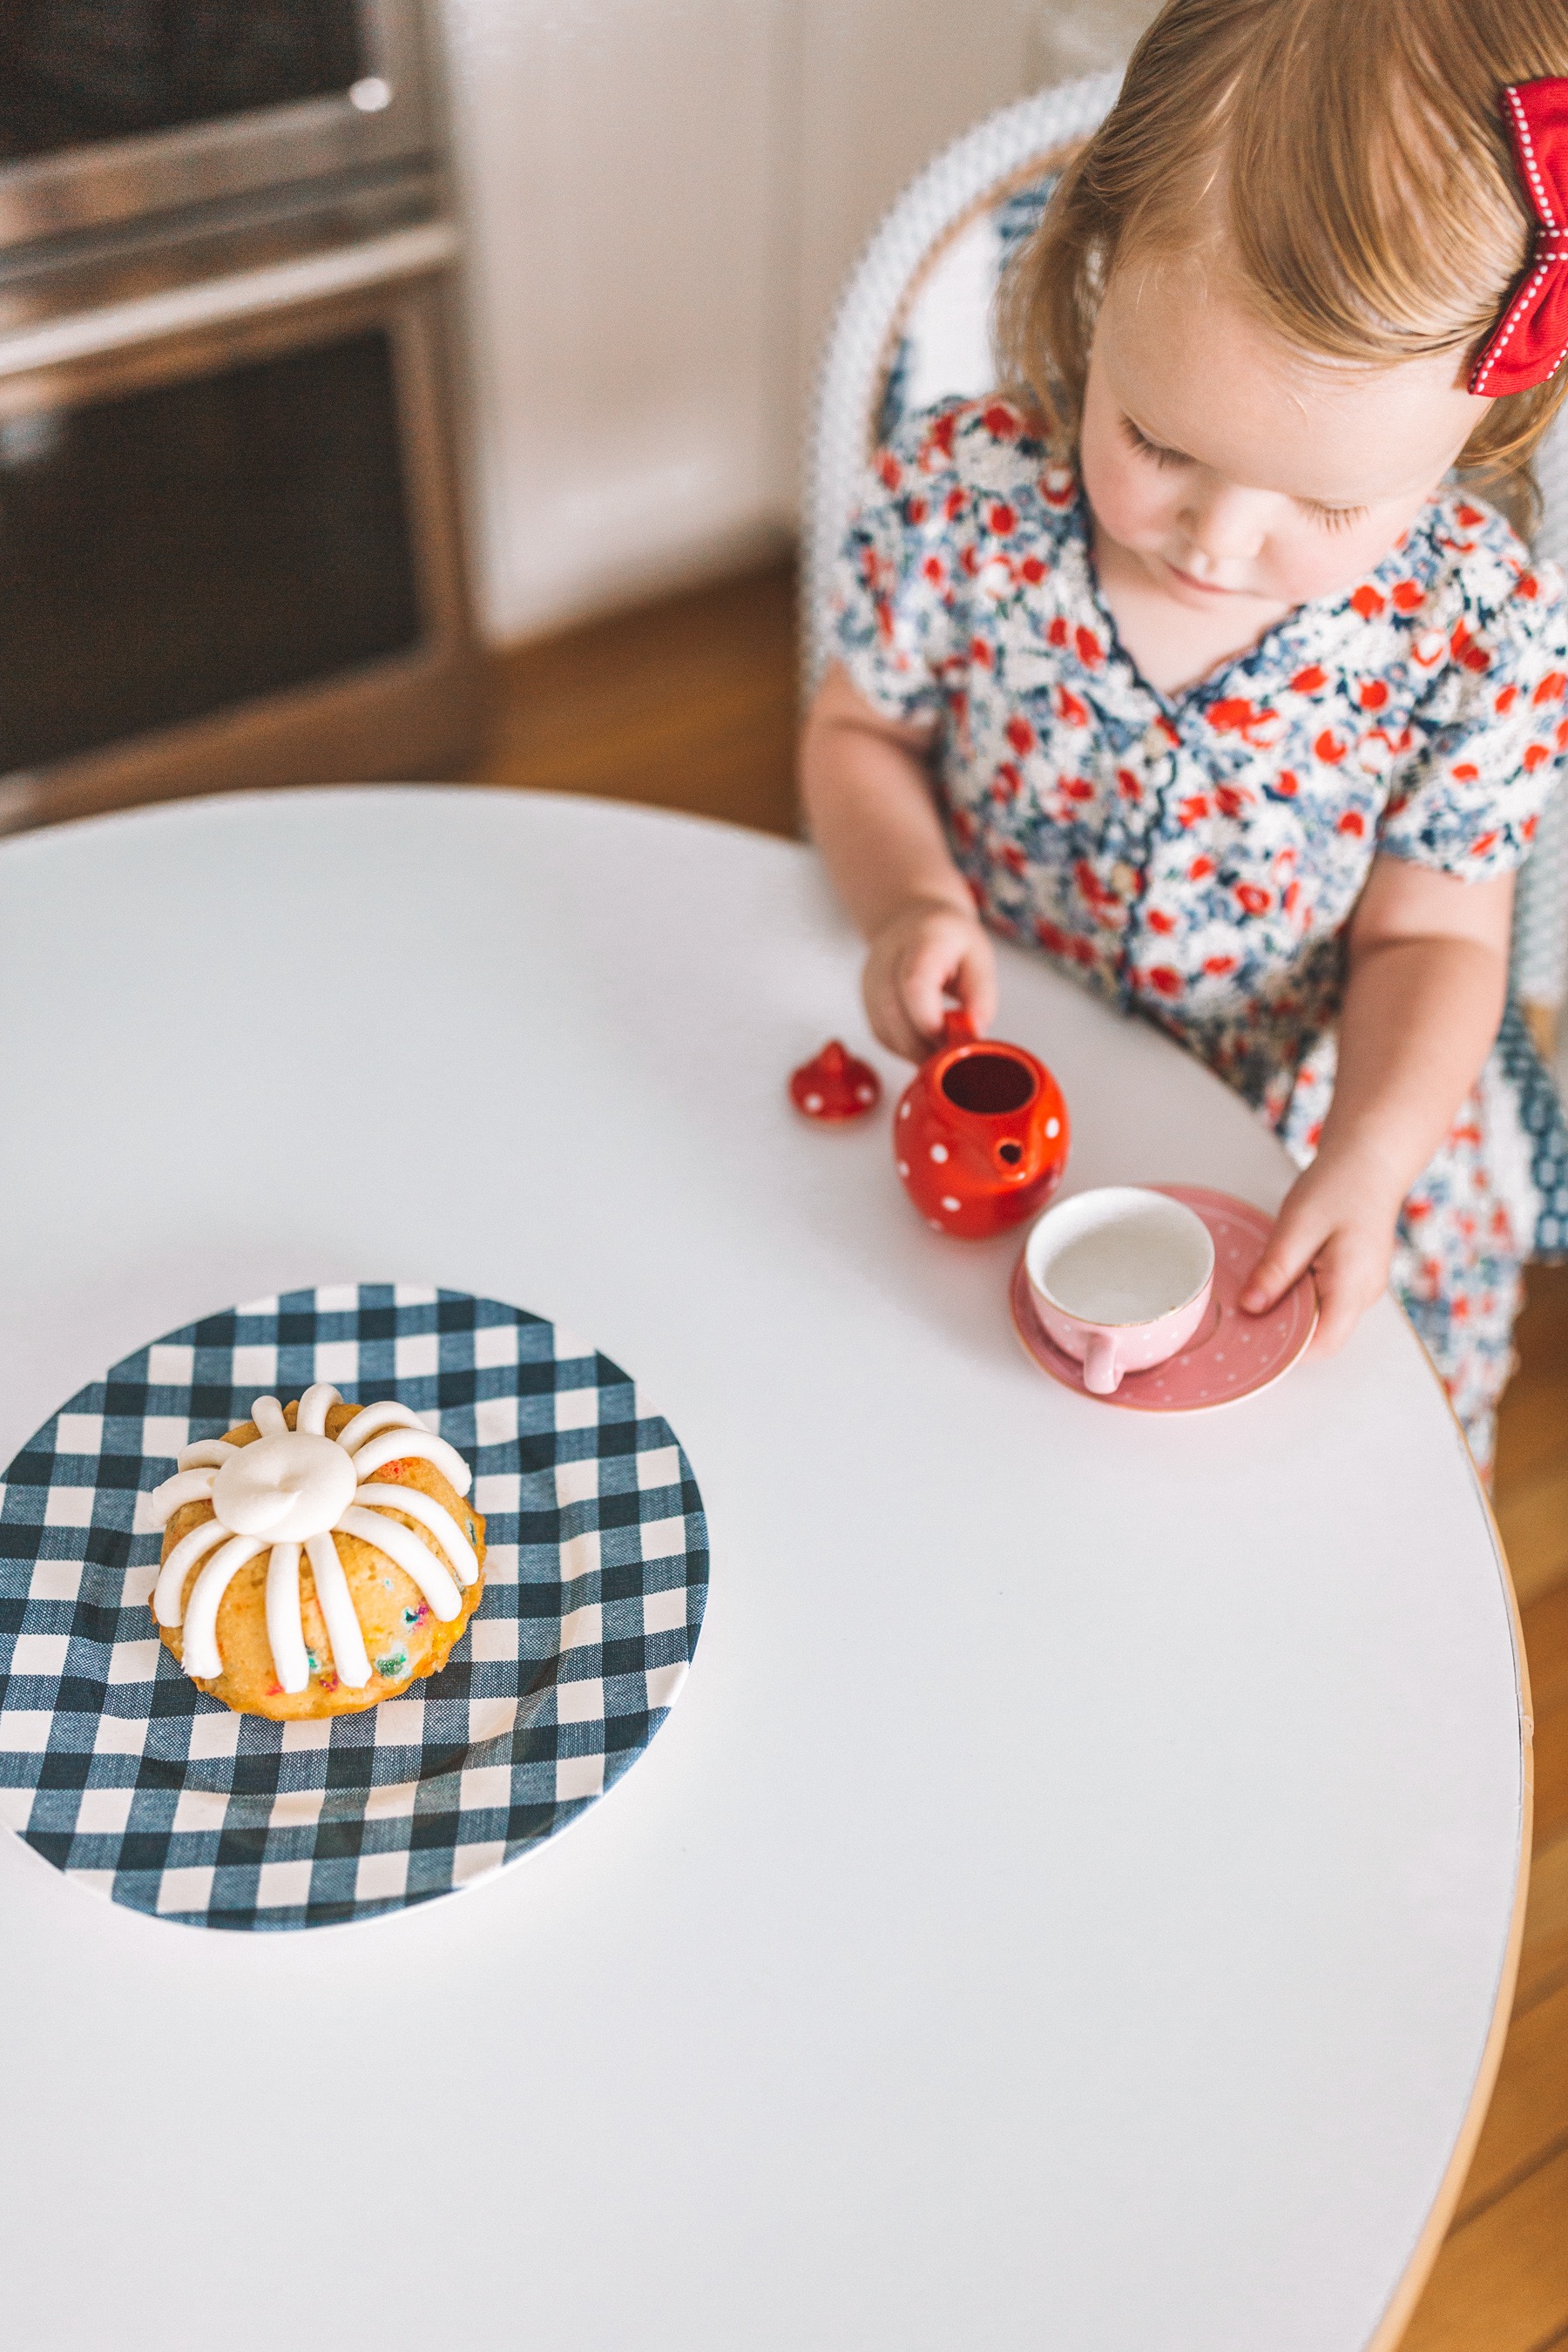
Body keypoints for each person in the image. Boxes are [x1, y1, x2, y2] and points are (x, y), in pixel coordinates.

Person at [801, 0, 1568, 1470]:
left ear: (1472, 435)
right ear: (1095, 268)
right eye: (1158, 442)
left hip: (1301, 1135)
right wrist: (907, 898)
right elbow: (856, 735)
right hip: (1005, 1073)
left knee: (1284, 1490)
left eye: (1325, 507)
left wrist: (1371, 1157)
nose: (1217, 540)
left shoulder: (1476, 627)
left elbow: (1438, 942)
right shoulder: (972, 501)